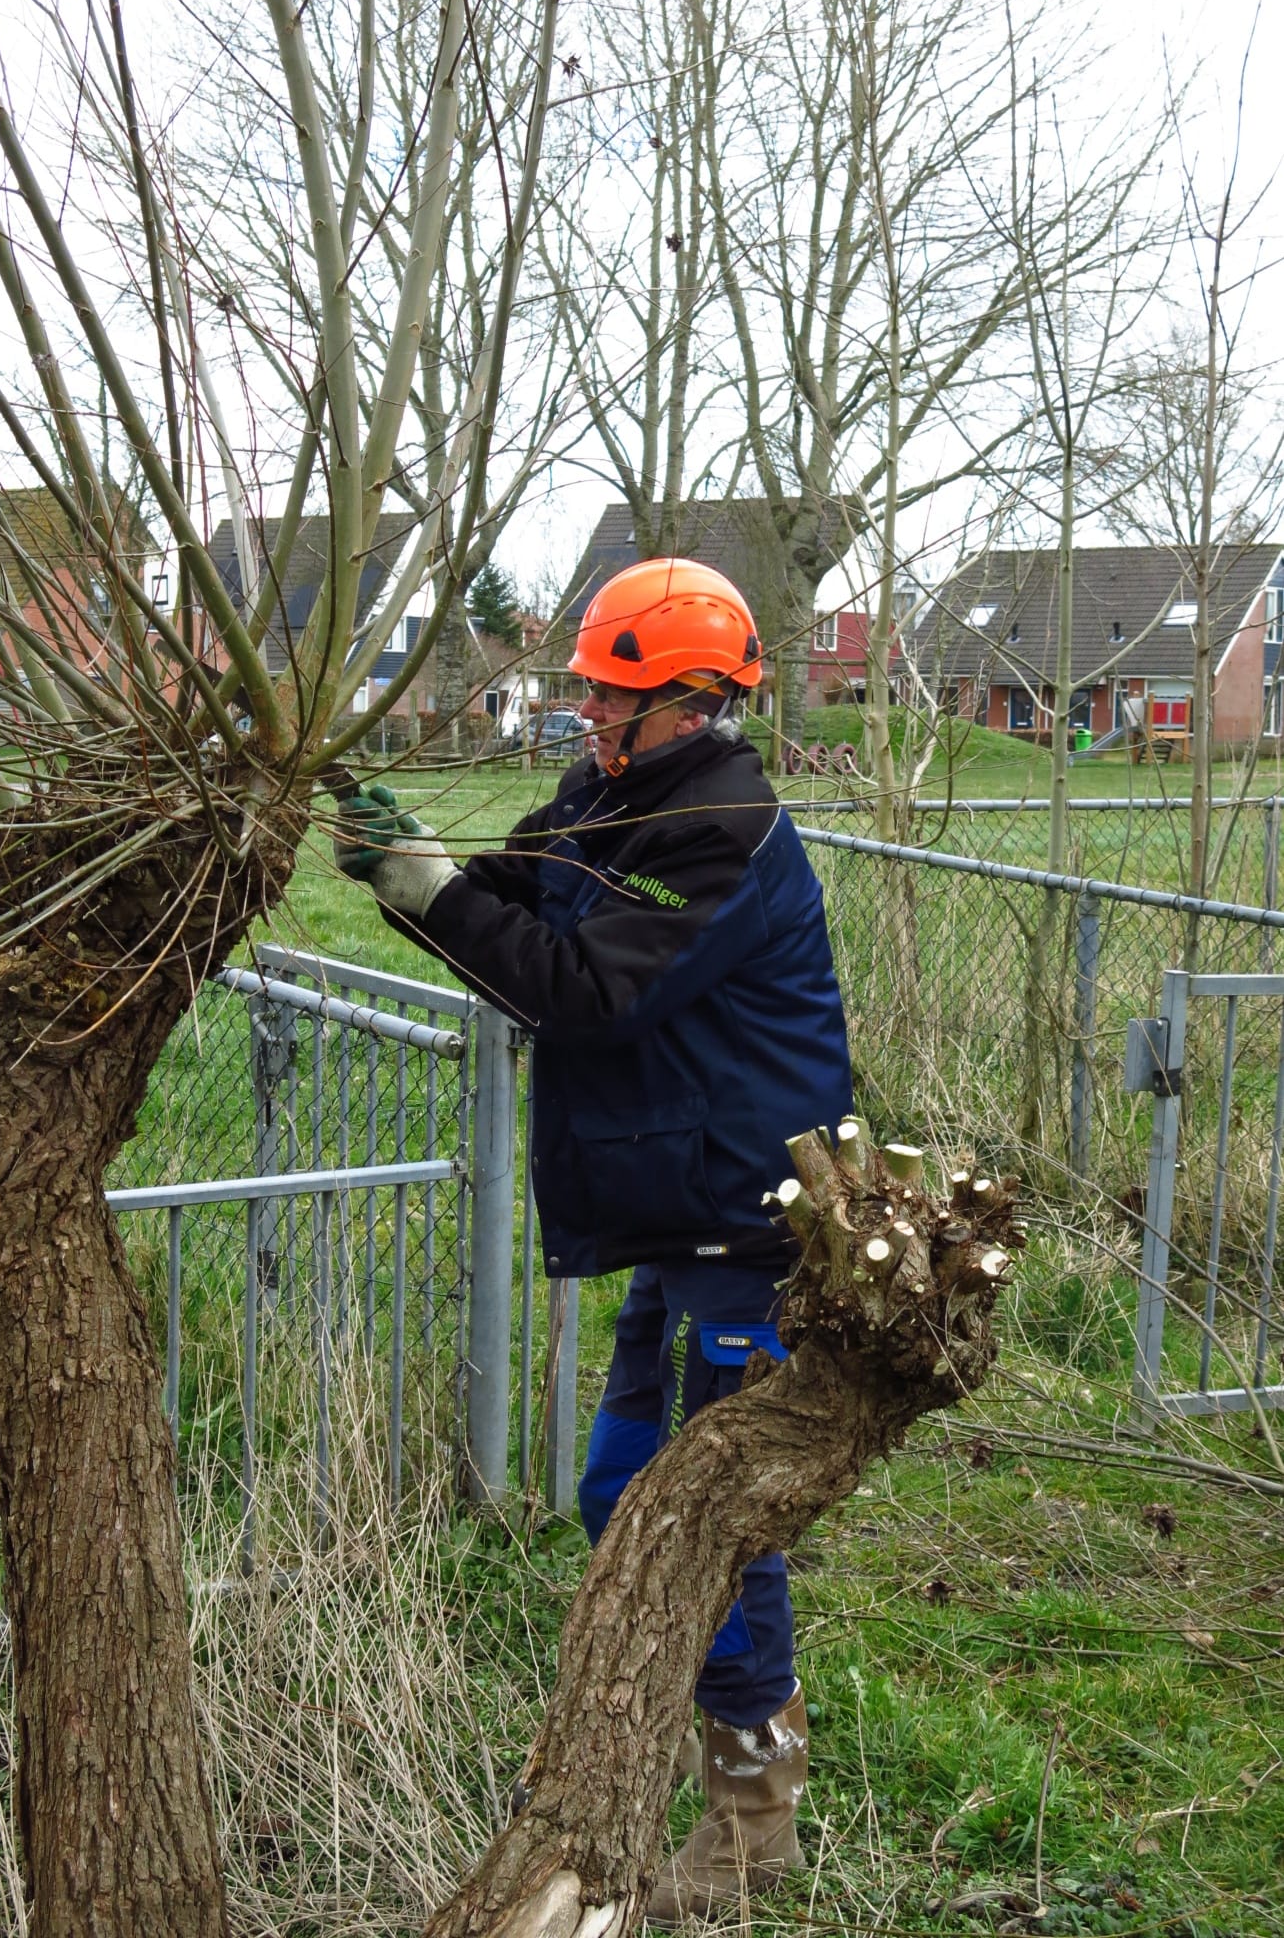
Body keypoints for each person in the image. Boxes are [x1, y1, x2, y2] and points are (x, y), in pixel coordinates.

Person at [334, 558, 854, 1923]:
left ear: (690, 701)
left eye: (611, 696)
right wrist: (410, 877)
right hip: (678, 1212)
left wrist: (434, 887)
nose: (586, 716)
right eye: (587, 691)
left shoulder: (719, 829)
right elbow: (511, 920)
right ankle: (690, 1772)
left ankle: (750, 1824)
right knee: (626, 1501)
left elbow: (580, 996)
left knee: (711, 1528)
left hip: (745, 1226)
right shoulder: (606, 805)